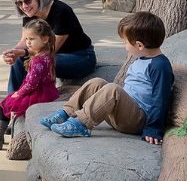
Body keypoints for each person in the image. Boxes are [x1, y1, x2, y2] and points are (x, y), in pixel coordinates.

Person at [41, 11, 174, 144]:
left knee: (113, 89)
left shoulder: (159, 66)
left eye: (125, 42)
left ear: (139, 45)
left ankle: (81, 123)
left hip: (137, 120)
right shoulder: (142, 58)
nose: (125, 47)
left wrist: (153, 128)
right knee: (97, 82)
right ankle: (66, 112)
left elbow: (160, 99)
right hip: (123, 113)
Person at [1, 0, 96, 94]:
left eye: (28, 1)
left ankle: (23, 100)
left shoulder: (62, 12)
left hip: (80, 57)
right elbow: (25, 41)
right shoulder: (30, 14)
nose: (24, 6)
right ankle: (11, 102)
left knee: (36, 62)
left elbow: (50, 50)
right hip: (57, 56)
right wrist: (13, 52)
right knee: (19, 60)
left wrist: (23, 53)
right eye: (19, 3)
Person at [0, 18, 59, 150]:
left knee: (3, 104)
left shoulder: (38, 60)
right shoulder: (46, 55)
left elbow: (31, 84)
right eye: (26, 39)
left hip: (37, 95)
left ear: (45, 39)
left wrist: (19, 93)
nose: (27, 42)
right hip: (46, 92)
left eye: (32, 39)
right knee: (7, 101)